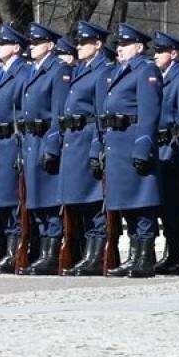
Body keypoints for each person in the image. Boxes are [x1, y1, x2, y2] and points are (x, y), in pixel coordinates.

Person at [99, 22, 164, 278]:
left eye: (125, 44)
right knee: (127, 204)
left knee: (142, 203)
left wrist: (143, 145)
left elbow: (149, 112)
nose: (120, 49)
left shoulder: (146, 70)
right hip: (118, 146)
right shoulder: (121, 71)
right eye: (119, 44)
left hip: (133, 142)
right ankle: (133, 256)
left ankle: (145, 258)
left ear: (139, 47)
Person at [58, 21, 112, 277]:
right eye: (78, 42)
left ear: (97, 44)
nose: (78, 46)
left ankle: (96, 255)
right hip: (74, 141)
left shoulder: (102, 71)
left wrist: (97, 147)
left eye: (84, 42)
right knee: (78, 201)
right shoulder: (80, 70)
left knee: (93, 202)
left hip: (88, 137)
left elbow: (102, 114)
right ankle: (83, 253)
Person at [17, 24, 70, 276]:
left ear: (50, 46)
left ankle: (52, 253)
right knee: (36, 200)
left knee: (49, 200)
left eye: (37, 43)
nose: (32, 46)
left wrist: (53, 144)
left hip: (45, 138)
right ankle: (41, 252)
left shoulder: (58, 70)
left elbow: (59, 112)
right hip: (30, 140)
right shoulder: (33, 71)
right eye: (31, 42)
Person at [0, 26, 30, 273]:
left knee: (12, 198)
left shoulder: (23, 73)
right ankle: (4, 248)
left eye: (4, 43)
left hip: (11, 141)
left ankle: (15, 251)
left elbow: (23, 110)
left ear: (17, 48)